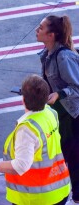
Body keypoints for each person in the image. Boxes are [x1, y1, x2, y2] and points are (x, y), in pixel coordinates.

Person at [0, 74, 70, 205]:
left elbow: (21, 165)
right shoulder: (50, 113)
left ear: (23, 100)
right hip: (59, 189)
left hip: (36, 198)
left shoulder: (27, 130)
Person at [36, 15, 79, 204]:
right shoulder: (46, 54)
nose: (37, 30)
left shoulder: (63, 57)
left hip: (72, 116)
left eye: (41, 27)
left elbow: (77, 87)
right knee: (62, 157)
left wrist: (59, 94)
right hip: (58, 115)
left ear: (51, 35)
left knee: (74, 159)